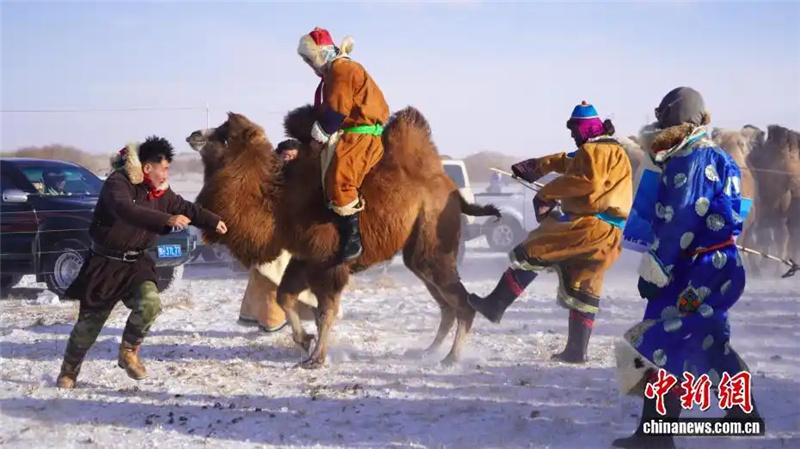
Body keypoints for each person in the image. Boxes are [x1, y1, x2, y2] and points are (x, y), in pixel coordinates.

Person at [612, 87, 762, 449]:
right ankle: (745, 414)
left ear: (674, 116)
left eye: (662, 112)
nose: (656, 118)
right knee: (705, 340)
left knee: (664, 339)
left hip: (692, 271)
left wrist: (657, 267)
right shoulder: (718, 156)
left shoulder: (688, 159)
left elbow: (678, 220)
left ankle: (655, 436)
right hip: (717, 267)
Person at [56, 136, 227, 389]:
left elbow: (187, 208)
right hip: (106, 264)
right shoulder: (118, 184)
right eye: (164, 168)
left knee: (150, 304)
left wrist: (213, 220)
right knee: (88, 327)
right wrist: (166, 219)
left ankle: (128, 352)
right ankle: (69, 371)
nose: (167, 173)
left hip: (137, 263)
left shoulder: (162, 192)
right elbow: (126, 210)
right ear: (147, 168)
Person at [467, 101, 632, 363]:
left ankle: (495, 305)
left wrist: (547, 193)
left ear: (585, 128)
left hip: (590, 227)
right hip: (610, 234)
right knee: (585, 285)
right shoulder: (605, 150)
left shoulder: (595, 151)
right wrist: (536, 167)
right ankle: (577, 352)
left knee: (536, 249)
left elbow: (588, 181)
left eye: (574, 129)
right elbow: (567, 163)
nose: (572, 135)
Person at [297, 26, 390, 262]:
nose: (310, 66)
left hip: (360, 136)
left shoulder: (342, 70)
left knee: (340, 179)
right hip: (354, 132)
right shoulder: (339, 71)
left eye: (310, 60)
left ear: (320, 53)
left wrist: (319, 135)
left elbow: (337, 112)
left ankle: (353, 240)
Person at [237, 138, 315, 332]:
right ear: (279, 158)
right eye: (286, 157)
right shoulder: (266, 181)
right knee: (267, 276)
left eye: (294, 158)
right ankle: (272, 320)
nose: (290, 162)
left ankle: (297, 317)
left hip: (298, 239)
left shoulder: (309, 181)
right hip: (271, 238)